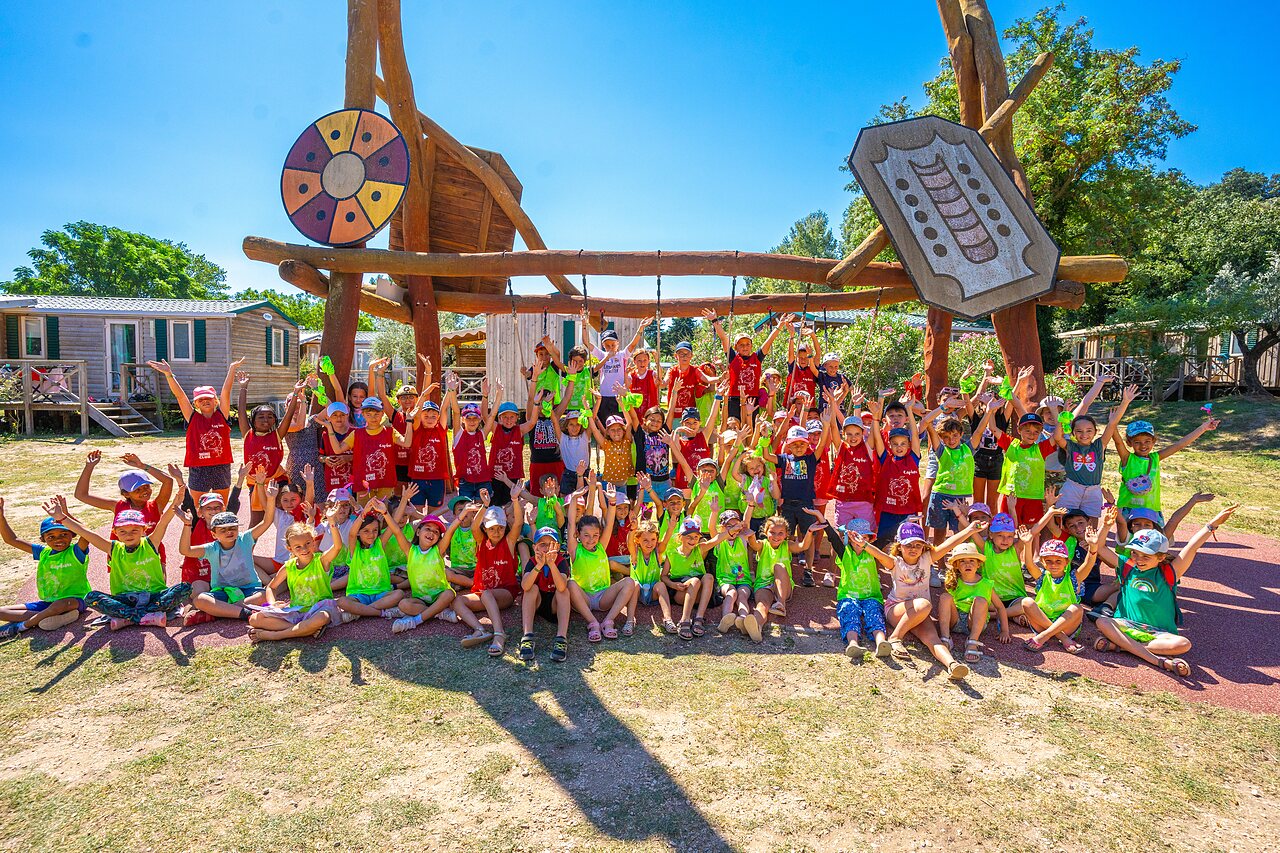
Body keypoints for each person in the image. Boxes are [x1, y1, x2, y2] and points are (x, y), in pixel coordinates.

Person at [1092, 504, 1239, 677]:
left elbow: (1191, 548)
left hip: (1159, 634)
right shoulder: (1127, 566)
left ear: (1161, 557)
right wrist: (1107, 525)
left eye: (1146, 556)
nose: (1138, 559)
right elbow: (1100, 548)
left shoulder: (1169, 573)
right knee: (1102, 622)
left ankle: (1122, 646)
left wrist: (1211, 526)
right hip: (1126, 625)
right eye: (1134, 553)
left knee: (1183, 644)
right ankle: (1157, 660)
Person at [52, 494, 190, 630]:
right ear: (115, 532)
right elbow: (87, 533)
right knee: (91, 597)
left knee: (185, 588)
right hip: (124, 600)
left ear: (144, 530)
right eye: (122, 531)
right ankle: (145, 617)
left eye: (134, 530)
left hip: (153, 597)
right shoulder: (113, 548)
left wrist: (175, 503)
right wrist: (62, 518)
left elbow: (163, 522)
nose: (129, 535)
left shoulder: (150, 543)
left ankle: (128, 618)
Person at [863, 520, 979, 680]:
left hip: (920, 613)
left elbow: (949, 543)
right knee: (925, 604)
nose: (913, 549)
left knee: (933, 638)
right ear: (899, 545)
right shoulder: (895, 563)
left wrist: (970, 530)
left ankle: (952, 665)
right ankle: (895, 638)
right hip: (896, 609)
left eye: (918, 545)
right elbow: (878, 554)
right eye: (909, 545)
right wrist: (863, 543)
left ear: (924, 547)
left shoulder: (927, 558)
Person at [177, 478, 279, 623]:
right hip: (223, 591)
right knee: (200, 599)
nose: (229, 532)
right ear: (214, 534)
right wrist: (187, 524)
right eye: (223, 530)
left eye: (232, 528)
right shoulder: (212, 548)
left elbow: (267, 521)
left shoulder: (245, 539)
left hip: (249, 589)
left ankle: (217, 612)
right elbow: (185, 550)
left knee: (263, 596)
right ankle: (243, 612)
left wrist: (271, 499)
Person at [147, 356, 242, 502]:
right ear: (196, 404)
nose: (205, 401)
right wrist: (168, 374)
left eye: (209, 398)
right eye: (201, 399)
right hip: (199, 468)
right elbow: (180, 396)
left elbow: (226, 392)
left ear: (215, 401)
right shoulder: (192, 417)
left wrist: (232, 369)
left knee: (221, 506)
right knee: (198, 509)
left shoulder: (222, 415)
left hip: (220, 466)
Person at [0, 498, 90, 637]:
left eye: (63, 534)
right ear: (43, 539)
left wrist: (65, 515)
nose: (58, 539)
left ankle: (22, 626)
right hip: (48, 603)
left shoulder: (76, 552)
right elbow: (11, 540)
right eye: (51, 536)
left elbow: (86, 533)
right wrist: (1, 516)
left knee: (59, 606)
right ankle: (52, 617)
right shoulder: (43, 553)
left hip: (76, 600)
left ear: (72, 534)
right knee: (2, 612)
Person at [247, 518, 346, 643]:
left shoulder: (321, 561)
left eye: (307, 543)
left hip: (319, 609)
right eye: (298, 547)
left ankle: (274, 635)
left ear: (314, 541)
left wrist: (332, 521)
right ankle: (306, 630)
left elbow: (337, 547)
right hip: (297, 612)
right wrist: (272, 604)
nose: (304, 549)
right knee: (255, 619)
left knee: (322, 618)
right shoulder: (288, 567)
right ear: (290, 549)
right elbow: (271, 587)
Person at [1113, 414, 1221, 525]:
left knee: (1154, 541)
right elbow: (1118, 442)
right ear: (1129, 443)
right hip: (1128, 509)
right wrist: (1113, 422)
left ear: (1153, 441)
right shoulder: (1128, 459)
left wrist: (1203, 428)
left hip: (1151, 509)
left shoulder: (1155, 458)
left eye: (1147, 441)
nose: (1143, 445)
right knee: (1127, 541)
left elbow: (1180, 444)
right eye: (1137, 442)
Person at [1051, 384, 1137, 521]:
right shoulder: (1071, 446)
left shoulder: (1099, 445)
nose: (1084, 434)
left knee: (1092, 523)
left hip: (1093, 490)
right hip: (1072, 488)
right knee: (1063, 519)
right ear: (1073, 433)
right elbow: (1057, 437)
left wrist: (1125, 401)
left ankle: (1091, 543)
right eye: (1079, 431)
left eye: (1089, 431)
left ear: (1095, 432)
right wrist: (1063, 418)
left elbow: (1112, 424)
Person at [455, 487, 525, 656]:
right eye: (492, 528)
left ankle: (499, 634)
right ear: (485, 528)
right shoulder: (481, 542)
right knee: (458, 602)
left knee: (487, 594)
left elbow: (518, 524)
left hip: (505, 594)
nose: (496, 532)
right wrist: (484, 506)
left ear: (504, 527)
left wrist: (515, 500)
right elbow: (473, 528)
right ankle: (479, 630)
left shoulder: (508, 542)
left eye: (500, 528)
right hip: (484, 593)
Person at [1016, 516, 1100, 654]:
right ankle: (1060, 637)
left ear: (1066, 562)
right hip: (1042, 622)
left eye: (1058, 561)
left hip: (1067, 625)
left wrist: (1093, 547)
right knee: (1026, 602)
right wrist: (1027, 543)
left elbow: (1088, 564)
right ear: (1043, 562)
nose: (1053, 564)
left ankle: (1044, 637)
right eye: (1048, 561)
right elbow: (1029, 564)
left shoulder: (1073, 577)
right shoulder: (1042, 576)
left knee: (1077, 608)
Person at [741, 509, 824, 640]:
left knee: (779, 566)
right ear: (765, 533)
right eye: (772, 532)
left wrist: (809, 532)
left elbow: (803, 546)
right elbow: (754, 544)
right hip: (764, 584)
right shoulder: (763, 545)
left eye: (780, 533)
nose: (776, 536)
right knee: (762, 605)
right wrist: (751, 535)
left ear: (786, 535)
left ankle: (781, 604)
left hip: (784, 587)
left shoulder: (788, 545)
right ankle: (757, 627)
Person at [567, 482, 635, 641]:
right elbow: (571, 523)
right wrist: (574, 499)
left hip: (604, 597)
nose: (591, 540)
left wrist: (612, 502)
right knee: (570, 584)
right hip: (583, 598)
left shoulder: (601, 547)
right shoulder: (575, 549)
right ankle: (592, 623)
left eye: (595, 535)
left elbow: (610, 524)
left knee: (630, 582)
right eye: (586, 535)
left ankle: (608, 620)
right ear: (578, 535)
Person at [385, 513, 469, 633]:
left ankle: (416, 620)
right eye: (428, 529)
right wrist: (385, 513)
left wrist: (462, 515)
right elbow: (397, 531)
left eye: (436, 532)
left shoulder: (438, 550)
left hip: (440, 596)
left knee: (450, 594)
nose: (431, 533)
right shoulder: (410, 551)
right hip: (420, 599)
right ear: (418, 532)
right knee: (403, 604)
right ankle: (438, 613)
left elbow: (450, 531)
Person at [238, 372, 303, 524]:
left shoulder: (277, 435)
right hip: (255, 483)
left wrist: (295, 393)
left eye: (270, 417)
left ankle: (291, 545)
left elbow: (287, 417)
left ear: (274, 420)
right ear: (253, 420)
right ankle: (247, 548)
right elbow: (241, 411)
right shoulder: (248, 434)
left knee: (286, 518)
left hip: (277, 481)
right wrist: (243, 388)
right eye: (261, 417)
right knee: (255, 523)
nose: (265, 420)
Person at [823, 517, 891, 659]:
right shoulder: (844, 552)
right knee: (849, 612)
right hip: (848, 595)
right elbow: (832, 536)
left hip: (871, 595)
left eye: (864, 537)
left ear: (870, 539)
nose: (860, 541)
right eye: (856, 537)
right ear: (849, 538)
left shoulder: (872, 550)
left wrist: (905, 520)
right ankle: (853, 643)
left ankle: (881, 642)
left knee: (875, 614)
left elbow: (888, 533)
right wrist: (820, 517)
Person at [705, 309, 786, 420]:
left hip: (752, 399)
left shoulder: (757, 358)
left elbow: (769, 340)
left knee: (750, 430)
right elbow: (724, 338)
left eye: (748, 344)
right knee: (734, 428)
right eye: (741, 344)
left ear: (751, 346)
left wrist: (780, 325)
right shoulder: (733, 358)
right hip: (734, 399)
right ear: (735, 347)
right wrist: (715, 320)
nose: (745, 347)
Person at [935, 541, 1009, 664]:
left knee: (980, 600)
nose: (967, 564)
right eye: (963, 561)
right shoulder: (954, 581)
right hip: (955, 620)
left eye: (972, 561)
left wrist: (1005, 630)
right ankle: (945, 638)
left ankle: (973, 642)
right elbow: (948, 606)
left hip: (975, 623)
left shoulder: (986, 584)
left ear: (978, 564)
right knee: (944, 597)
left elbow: (1000, 607)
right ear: (957, 565)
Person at [336, 498, 407, 619]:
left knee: (399, 594)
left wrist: (402, 500)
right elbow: (352, 534)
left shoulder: (380, 544)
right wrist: (364, 513)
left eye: (375, 530)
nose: (371, 534)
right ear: (359, 532)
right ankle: (380, 612)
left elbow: (394, 523)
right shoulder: (355, 549)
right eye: (366, 531)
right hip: (359, 594)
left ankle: (360, 612)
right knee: (342, 602)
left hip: (380, 593)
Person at [867, 398, 923, 547]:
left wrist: (909, 410)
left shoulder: (913, 458)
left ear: (909, 444)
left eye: (903, 443)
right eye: (895, 444)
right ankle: (878, 570)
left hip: (908, 511)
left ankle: (904, 571)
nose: (899, 447)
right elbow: (878, 438)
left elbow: (915, 435)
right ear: (889, 445)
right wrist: (875, 417)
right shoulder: (885, 458)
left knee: (907, 545)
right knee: (880, 544)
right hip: (887, 510)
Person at [662, 512, 724, 640]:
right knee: (695, 581)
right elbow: (663, 576)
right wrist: (673, 585)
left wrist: (730, 531)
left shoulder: (699, 549)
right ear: (680, 537)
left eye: (696, 537)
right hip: (681, 591)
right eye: (689, 537)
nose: (693, 540)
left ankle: (699, 619)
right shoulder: (672, 553)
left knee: (708, 577)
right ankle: (684, 620)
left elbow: (717, 539)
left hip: (699, 592)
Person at [517, 527, 574, 662]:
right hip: (538, 602)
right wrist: (539, 565)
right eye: (543, 544)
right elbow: (525, 585)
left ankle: (561, 638)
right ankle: (527, 636)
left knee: (564, 591)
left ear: (558, 547)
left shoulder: (561, 561)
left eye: (551, 544)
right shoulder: (532, 562)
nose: (547, 548)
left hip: (555, 604)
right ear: (535, 546)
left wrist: (552, 564)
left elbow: (561, 586)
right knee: (531, 589)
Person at [448, 382, 493, 501]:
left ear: (479, 420)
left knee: (481, 510)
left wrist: (486, 395)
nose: (472, 421)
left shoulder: (481, 434)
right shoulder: (459, 434)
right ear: (463, 420)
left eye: (475, 418)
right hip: (465, 480)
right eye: (468, 418)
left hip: (483, 480)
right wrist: (452, 391)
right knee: (465, 510)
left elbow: (491, 416)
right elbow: (456, 412)